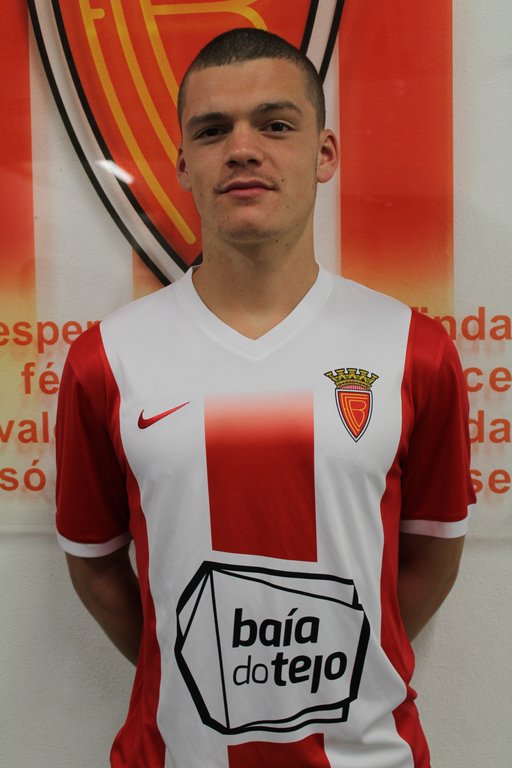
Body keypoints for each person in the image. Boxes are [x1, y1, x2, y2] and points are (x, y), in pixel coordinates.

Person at [56, 28, 475, 768]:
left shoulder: (415, 350)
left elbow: (432, 553)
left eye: (276, 125)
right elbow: (95, 566)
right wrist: (198, 667)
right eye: (212, 131)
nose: (242, 149)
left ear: (324, 153)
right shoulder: (106, 360)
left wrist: (331, 660)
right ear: (182, 165)